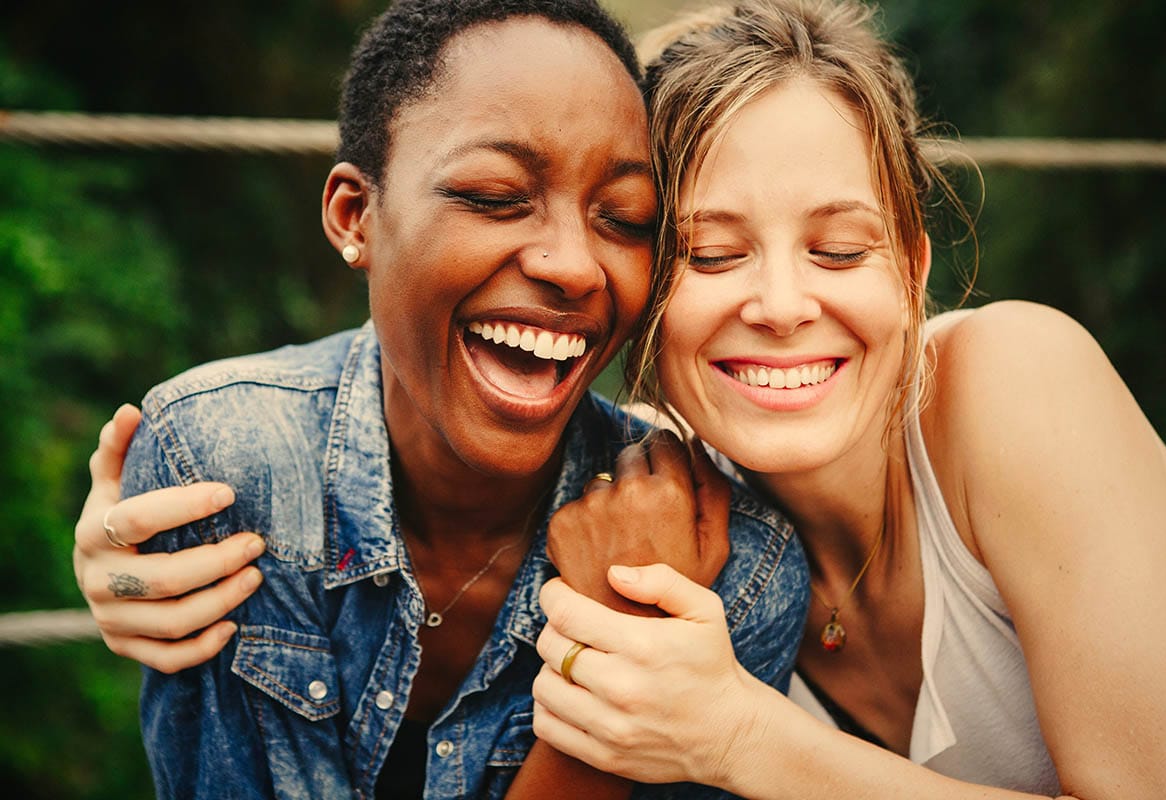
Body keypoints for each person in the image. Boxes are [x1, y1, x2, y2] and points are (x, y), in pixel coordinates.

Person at [71, 1, 808, 798]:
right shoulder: (227, 470)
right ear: (355, 216)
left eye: (623, 218)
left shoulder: (733, 576)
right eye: (495, 196)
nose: (574, 265)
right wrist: (612, 673)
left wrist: (633, 639)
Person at [527, 1, 1166, 798]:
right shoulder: (661, 504)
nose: (781, 305)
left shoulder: (1018, 377)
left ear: (913, 270)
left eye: (840, 251)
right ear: (642, 296)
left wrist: (741, 738)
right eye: (710, 255)